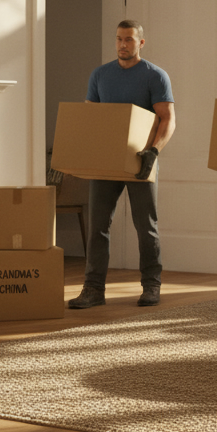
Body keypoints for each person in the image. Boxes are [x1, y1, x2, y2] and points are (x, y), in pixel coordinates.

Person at [68, 20, 175, 309]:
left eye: (128, 39)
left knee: (146, 226)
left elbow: (167, 118)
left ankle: (151, 286)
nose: (122, 45)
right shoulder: (100, 75)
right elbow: (92, 120)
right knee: (98, 226)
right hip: (106, 162)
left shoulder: (155, 76)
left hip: (142, 159)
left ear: (141, 42)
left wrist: (153, 151)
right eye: (118, 39)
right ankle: (93, 289)